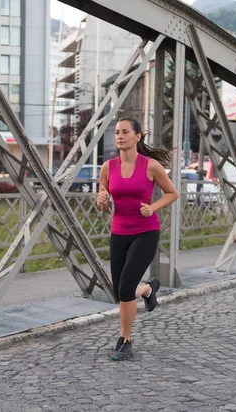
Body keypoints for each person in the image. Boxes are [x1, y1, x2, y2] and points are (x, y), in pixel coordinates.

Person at [96, 117, 178, 361]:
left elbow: (172, 193)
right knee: (120, 290)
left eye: (125, 132)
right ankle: (148, 289)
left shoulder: (151, 166)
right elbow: (102, 197)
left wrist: (153, 207)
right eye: (117, 133)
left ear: (137, 136)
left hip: (145, 232)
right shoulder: (107, 167)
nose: (119, 136)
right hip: (119, 232)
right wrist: (101, 201)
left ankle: (124, 340)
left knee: (125, 288)